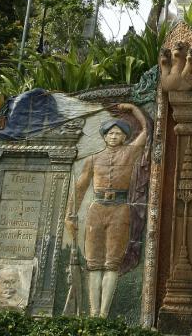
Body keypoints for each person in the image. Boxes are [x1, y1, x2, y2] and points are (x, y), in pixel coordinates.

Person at [66, 103, 148, 317]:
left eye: (118, 133)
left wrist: (132, 109)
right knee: (94, 263)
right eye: (110, 133)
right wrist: (70, 214)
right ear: (104, 137)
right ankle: (93, 312)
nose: (113, 136)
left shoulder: (130, 153)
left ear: (124, 137)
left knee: (112, 263)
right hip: (96, 210)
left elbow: (147, 130)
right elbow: (80, 187)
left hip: (119, 210)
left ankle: (103, 313)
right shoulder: (93, 159)